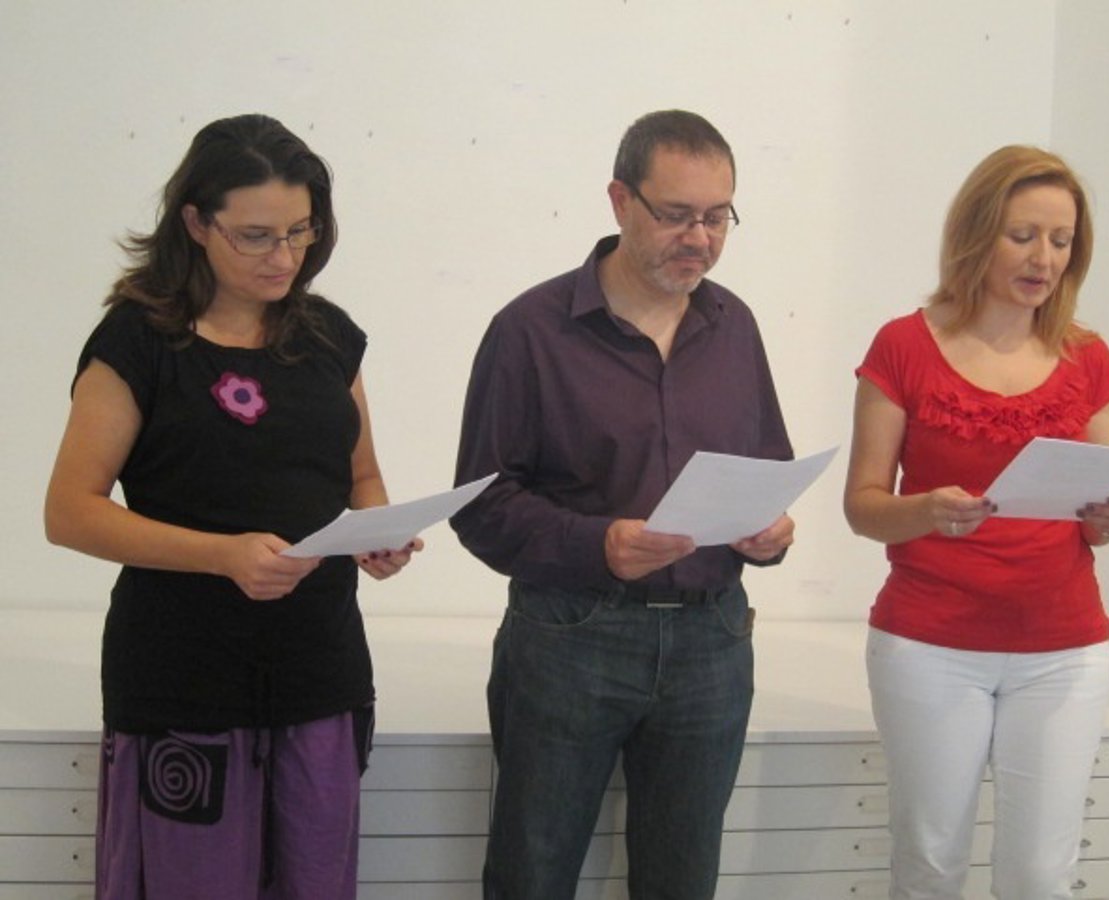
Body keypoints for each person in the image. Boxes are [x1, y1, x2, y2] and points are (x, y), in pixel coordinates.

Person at [44, 114, 421, 900]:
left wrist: (377, 535)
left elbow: (361, 475)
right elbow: (70, 512)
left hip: (319, 673)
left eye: (300, 232)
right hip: (184, 680)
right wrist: (221, 555)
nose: (284, 257)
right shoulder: (138, 343)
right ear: (195, 222)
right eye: (255, 236)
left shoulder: (328, 338)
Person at [450, 109, 795, 899]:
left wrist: (771, 532)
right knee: (532, 876)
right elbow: (482, 505)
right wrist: (597, 544)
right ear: (619, 201)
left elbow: (768, 468)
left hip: (713, 642)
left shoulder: (734, 325)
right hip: (572, 638)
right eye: (675, 215)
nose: (699, 239)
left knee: (683, 882)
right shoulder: (530, 331)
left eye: (717, 217)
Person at [843, 145, 1109, 899]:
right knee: (930, 865)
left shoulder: (1087, 356)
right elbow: (863, 507)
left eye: (1061, 240)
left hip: (1064, 648)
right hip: (930, 644)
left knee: (1042, 875)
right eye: (1023, 235)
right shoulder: (903, 345)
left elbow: (1095, 519)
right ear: (977, 233)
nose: (1044, 259)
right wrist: (925, 511)